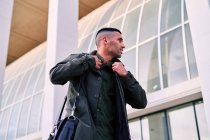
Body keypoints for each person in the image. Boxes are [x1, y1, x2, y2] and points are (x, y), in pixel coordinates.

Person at [49, 27, 147, 140]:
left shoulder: (119, 74)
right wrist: (86, 62)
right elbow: (54, 75)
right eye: (119, 40)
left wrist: (126, 75)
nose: (123, 45)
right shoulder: (81, 60)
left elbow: (141, 102)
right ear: (105, 40)